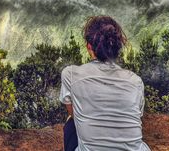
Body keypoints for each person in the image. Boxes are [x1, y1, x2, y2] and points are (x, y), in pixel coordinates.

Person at [60, 15, 151, 151]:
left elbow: (74, 113)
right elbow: (136, 115)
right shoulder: (135, 81)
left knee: (71, 125)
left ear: (89, 47)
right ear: (118, 49)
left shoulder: (71, 75)